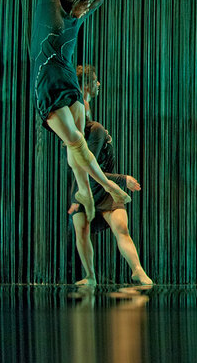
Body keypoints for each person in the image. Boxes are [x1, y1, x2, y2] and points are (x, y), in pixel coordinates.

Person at [31, 0, 130, 223]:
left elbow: (97, 0)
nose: (86, 9)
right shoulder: (50, 6)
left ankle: (84, 191)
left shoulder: (77, 16)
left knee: (79, 141)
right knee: (74, 138)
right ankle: (107, 185)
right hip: (48, 86)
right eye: (83, 4)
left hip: (68, 83)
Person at [67, 65, 153, 286]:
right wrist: (122, 180)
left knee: (121, 228)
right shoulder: (92, 127)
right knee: (82, 232)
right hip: (87, 187)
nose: (99, 83)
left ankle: (138, 270)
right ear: (86, 85)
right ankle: (90, 276)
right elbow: (88, 166)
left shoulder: (90, 122)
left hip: (102, 190)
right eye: (95, 80)